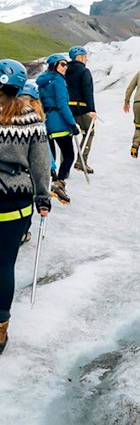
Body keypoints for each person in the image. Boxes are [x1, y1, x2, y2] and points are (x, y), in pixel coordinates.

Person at [0, 59, 51, 354]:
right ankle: (0, 328)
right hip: (15, 203)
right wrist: (43, 197)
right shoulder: (31, 117)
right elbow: (41, 163)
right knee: (3, 264)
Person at [37, 54, 80, 203]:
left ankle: (49, 183)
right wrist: (72, 124)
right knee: (69, 156)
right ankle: (59, 183)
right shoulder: (58, 81)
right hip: (60, 122)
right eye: (62, 64)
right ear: (54, 65)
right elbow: (62, 104)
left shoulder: (43, 81)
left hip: (47, 122)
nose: (65, 67)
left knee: (51, 158)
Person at [65, 46, 97, 174]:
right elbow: (88, 91)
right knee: (89, 132)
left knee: (67, 136)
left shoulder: (64, 70)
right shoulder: (84, 71)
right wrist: (92, 109)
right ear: (80, 57)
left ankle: (64, 167)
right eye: (85, 56)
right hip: (82, 108)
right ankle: (81, 161)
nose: (87, 59)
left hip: (67, 108)